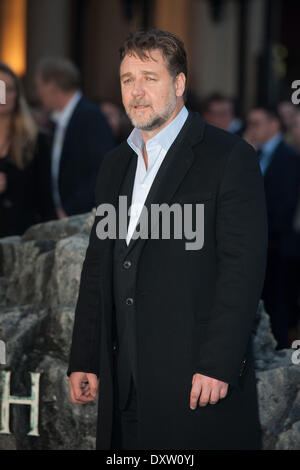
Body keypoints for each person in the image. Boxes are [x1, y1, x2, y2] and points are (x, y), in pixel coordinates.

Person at [67, 29, 268, 450]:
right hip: (125, 385)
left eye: (150, 77)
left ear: (179, 84)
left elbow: (242, 269)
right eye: (127, 79)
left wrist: (219, 363)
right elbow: (99, 264)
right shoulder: (114, 164)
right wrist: (85, 357)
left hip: (196, 383)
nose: (136, 91)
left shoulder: (229, 157)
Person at [34, 57, 115, 221]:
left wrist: (71, 211)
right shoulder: (56, 122)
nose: (38, 92)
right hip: (61, 219)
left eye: (39, 85)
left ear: (52, 86)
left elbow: (102, 170)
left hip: (83, 220)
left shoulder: (90, 116)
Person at [247, 106, 300, 349]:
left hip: (278, 246)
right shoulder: (252, 154)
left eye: (258, 123)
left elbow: (285, 205)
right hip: (260, 245)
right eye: (250, 123)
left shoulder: (288, 157)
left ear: (274, 125)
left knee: (278, 305)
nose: (252, 129)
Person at [0, 62, 38, 238]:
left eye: (9, 89)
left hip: (22, 240)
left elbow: (44, 197)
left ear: (17, 95)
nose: (4, 96)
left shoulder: (35, 139)